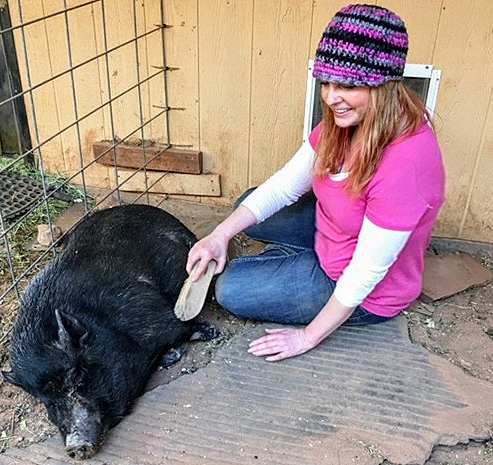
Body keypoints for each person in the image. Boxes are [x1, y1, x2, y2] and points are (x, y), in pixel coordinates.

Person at [186, 3, 445, 362]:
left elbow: (364, 274)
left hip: (364, 290)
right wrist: (220, 235)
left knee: (230, 289)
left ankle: (296, 266)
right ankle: (294, 261)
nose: (331, 96)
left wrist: (306, 338)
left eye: (348, 85)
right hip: (336, 227)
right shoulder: (347, 122)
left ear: (384, 86)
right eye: (326, 82)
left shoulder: (408, 162)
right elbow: (283, 187)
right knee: (246, 204)